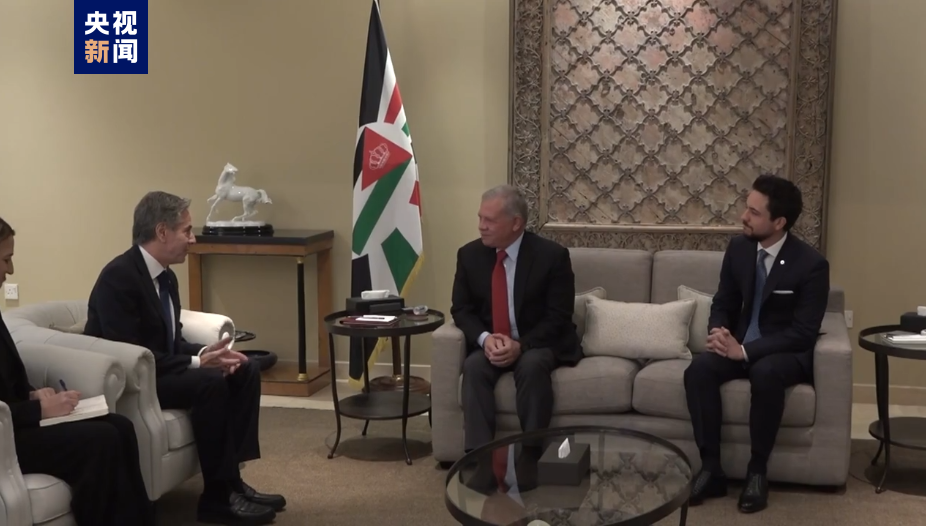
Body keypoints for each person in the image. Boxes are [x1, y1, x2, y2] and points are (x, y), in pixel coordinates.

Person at [83, 191, 285, 525]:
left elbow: (170, 340)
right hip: (134, 382)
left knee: (244, 368)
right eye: (187, 231)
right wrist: (198, 364)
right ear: (162, 232)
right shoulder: (119, 278)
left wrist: (208, 353)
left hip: (159, 368)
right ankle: (217, 499)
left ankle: (233, 482)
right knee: (209, 382)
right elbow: (131, 353)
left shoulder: (166, 276)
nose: (193, 239)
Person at [683, 174, 830, 513]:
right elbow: (724, 300)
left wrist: (745, 351)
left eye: (754, 212)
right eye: (746, 207)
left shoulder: (811, 265)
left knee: (765, 373)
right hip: (739, 342)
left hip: (783, 351)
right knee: (699, 370)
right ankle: (711, 469)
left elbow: (803, 332)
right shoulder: (739, 248)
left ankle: (757, 472)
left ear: (779, 222)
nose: (743, 216)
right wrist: (719, 332)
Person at [0, 217, 155, 526]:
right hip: (5, 437)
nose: (11, 270)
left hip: (17, 419)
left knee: (121, 426)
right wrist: (39, 410)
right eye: (6, 259)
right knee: (101, 440)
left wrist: (32, 393)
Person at [451, 184, 582, 465]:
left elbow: (559, 316)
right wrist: (485, 338)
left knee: (531, 366)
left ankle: (531, 454)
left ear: (516, 223)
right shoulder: (469, 255)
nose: (481, 226)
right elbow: (461, 309)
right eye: (480, 218)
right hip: (493, 341)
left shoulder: (552, 257)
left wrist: (520, 345)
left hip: (536, 342)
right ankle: (478, 457)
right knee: (474, 367)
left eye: (489, 220)